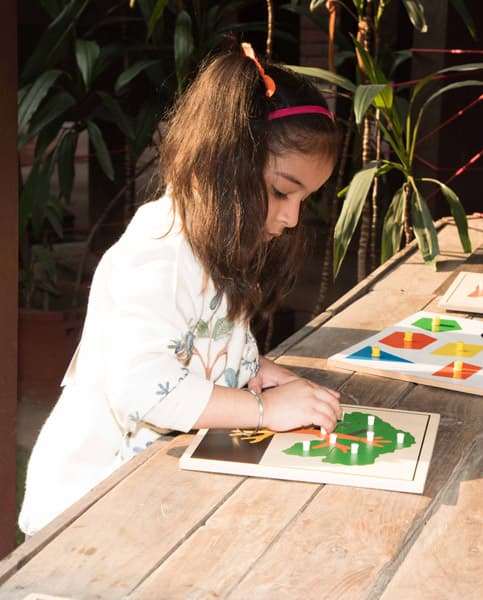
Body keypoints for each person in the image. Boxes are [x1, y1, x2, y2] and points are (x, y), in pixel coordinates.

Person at [19, 43, 342, 536]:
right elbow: (142, 387)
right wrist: (263, 411)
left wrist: (254, 369)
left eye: (304, 199)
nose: (293, 217)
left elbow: (201, 338)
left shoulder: (216, 240)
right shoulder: (162, 249)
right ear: (226, 163)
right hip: (85, 511)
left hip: (148, 500)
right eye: (282, 191)